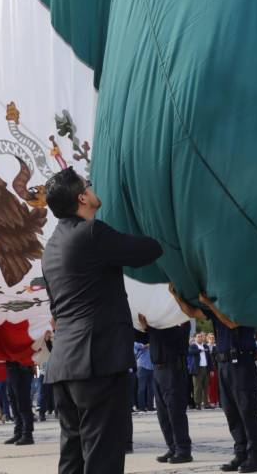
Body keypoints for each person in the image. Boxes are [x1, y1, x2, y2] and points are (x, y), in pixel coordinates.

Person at [41, 167, 163, 474]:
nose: (93, 189)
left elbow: (56, 308)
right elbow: (148, 250)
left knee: (72, 458)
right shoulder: (91, 233)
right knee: (103, 458)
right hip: (96, 361)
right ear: (82, 198)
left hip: (64, 364)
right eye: (89, 185)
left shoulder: (51, 247)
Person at [196, 293, 257, 473]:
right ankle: (241, 453)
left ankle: (255, 457)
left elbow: (232, 323)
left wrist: (210, 304)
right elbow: (194, 313)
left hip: (242, 364)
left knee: (247, 410)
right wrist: (177, 296)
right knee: (231, 412)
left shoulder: (244, 305)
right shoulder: (217, 308)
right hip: (224, 365)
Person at [137, 310, 192, 465]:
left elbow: (171, 336)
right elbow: (144, 338)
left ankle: (183, 450)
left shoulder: (181, 319)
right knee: (162, 413)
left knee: (175, 411)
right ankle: (172, 447)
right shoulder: (158, 324)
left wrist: (149, 327)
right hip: (158, 369)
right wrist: (141, 327)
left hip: (173, 369)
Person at [5, 360, 35, 445]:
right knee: (13, 402)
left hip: (22, 368)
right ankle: (19, 432)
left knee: (22, 402)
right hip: (11, 368)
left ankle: (27, 434)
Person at [188, 333, 211, 410]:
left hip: (205, 368)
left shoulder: (205, 346)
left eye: (201, 336)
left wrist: (210, 369)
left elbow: (209, 358)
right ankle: (198, 404)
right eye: (198, 337)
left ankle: (206, 403)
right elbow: (191, 352)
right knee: (197, 387)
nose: (200, 338)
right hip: (197, 369)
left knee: (206, 387)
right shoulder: (193, 346)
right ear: (195, 338)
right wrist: (200, 350)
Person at [134, 337, 155, 412]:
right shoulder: (137, 341)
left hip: (151, 366)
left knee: (151, 389)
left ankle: (150, 406)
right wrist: (146, 345)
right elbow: (136, 347)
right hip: (142, 366)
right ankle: (141, 407)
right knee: (141, 388)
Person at [206, 333, 220, 408]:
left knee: (216, 385)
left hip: (216, 367)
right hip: (209, 368)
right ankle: (211, 401)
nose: (212, 339)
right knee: (211, 385)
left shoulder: (216, 346)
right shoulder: (206, 347)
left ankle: (217, 400)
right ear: (208, 339)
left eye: (213, 338)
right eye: (210, 338)